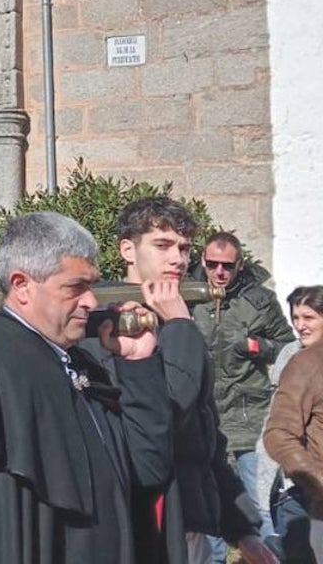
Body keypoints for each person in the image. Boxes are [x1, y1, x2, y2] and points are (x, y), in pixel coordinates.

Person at [0, 212, 176, 564]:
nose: (90, 302)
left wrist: (137, 364)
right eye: (75, 287)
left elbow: (146, 468)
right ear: (22, 285)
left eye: (91, 286)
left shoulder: (74, 362)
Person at [114, 197, 276, 564]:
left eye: (184, 248)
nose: (178, 259)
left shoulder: (181, 318)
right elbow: (171, 410)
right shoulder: (104, 322)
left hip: (190, 521)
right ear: (128, 248)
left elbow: (204, 438)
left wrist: (242, 529)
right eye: (162, 245)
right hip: (141, 521)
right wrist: (180, 326)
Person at [190, 231, 294, 551]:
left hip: (247, 410)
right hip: (202, 414)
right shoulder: (188, 296)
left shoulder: (258, 301)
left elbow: (288, 347)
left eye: (227, 265)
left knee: (258, 502)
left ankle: (268, 557)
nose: (219, 271)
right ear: (202, 262)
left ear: (240, 265)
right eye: (212, 264)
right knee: (208, 504)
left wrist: (257, 346)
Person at [257, 286, 323, 562]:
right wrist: (316, 479)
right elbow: (278, 432)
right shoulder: (305, 363)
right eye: (296, 318)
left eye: (308, 318)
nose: (300, 326)